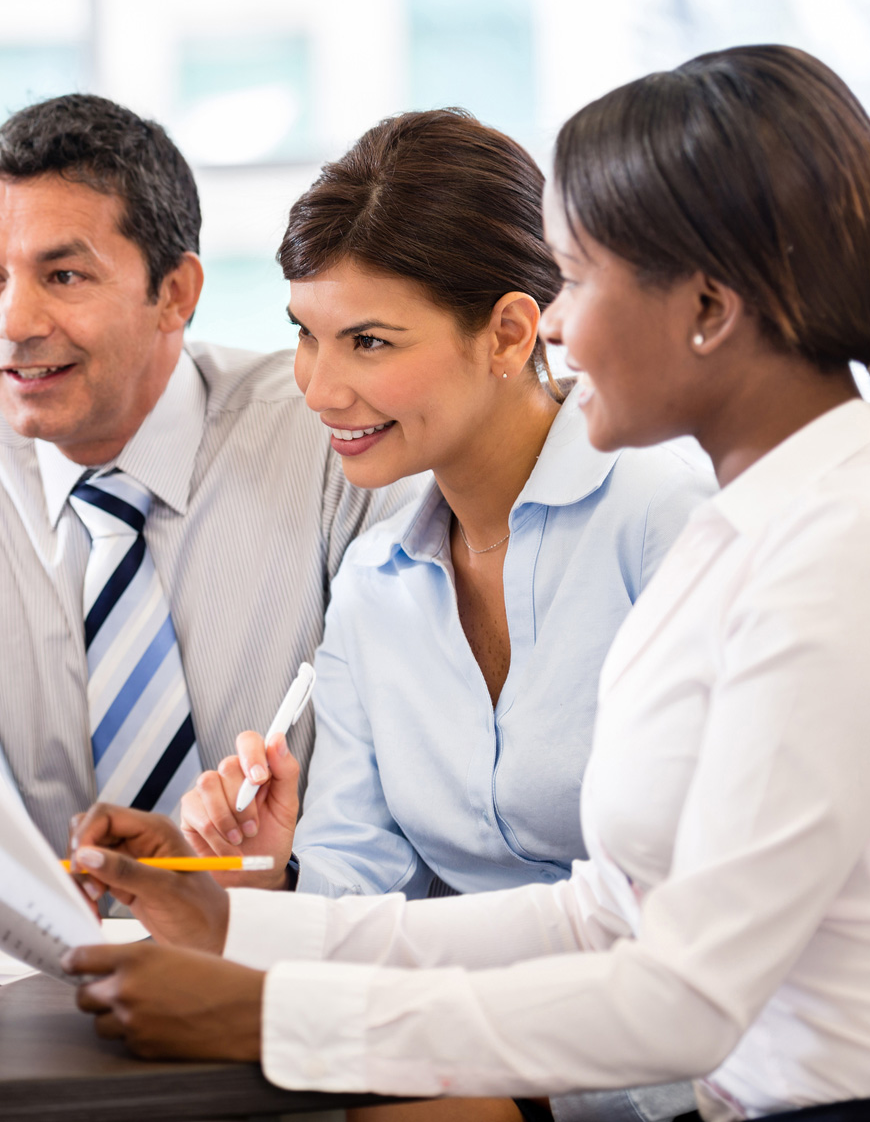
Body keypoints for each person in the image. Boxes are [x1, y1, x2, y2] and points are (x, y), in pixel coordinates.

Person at [62, 46, 870, 1122]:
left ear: (708, 309)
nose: (557, 325)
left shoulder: (841, 552)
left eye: (577, 279)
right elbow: (600, 912)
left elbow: (684, 994)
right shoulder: (757, 534)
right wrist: (234, 928)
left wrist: (278, 1018)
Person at [159, 109, 714, 1122]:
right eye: (304, 334)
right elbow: (352, 905)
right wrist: (259, 874)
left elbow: (711, 926)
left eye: (369, 340)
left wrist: (520, 1091)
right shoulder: (375, 584)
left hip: (674, 1073)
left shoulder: (662, 518)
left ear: (508, 331)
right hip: (473, 1060)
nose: (320, 387)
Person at [0, 94, 414, 905]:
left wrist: (281, 880)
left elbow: (404, 790)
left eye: (63, 275)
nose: (12, 323)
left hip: (297, 949)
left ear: (176, 293)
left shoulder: (332, 446)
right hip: (44, 986)